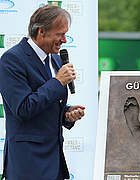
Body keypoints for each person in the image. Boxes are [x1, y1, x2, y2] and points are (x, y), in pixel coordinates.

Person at [0, 5, 85, 180]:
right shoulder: (12, 59)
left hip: (54, 161)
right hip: (28, 163)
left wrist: (66, 114)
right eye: (60, 34)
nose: (64, 40)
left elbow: (47, 102)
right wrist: (58, 82)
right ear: (41, 32)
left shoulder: (54, 58)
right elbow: (23, 108)